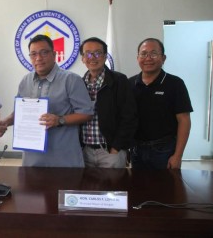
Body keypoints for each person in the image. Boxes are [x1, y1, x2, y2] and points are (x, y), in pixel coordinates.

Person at [0, 34, 94, 167]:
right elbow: (19, 113)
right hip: (32, 160)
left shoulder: (71, 80)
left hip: (64, 160)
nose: (38, 58)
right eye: (33, 54)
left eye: (44, 52)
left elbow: (87, 113)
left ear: (54, 54)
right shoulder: (25, 81)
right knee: (31, 188)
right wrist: (5, 122)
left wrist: (59, 120)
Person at [129, 38, 193, 169]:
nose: (148, 58)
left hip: (165, 150)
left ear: (163, 58)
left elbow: (184, 120)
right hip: (136, 150)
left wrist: (178, 155)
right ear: (137, 58)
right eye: (143, 54)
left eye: (153, 53)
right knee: (138, 188)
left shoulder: (175, 84)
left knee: (165, 188)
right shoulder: (130, 84)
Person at [80, 37, 137, 168]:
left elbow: (129, 117)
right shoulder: (79, 83)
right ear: (83, 58)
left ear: (105, 56)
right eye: (87, 53)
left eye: (98, 53)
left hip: (110, 152)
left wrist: (116, 148)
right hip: (84, 151)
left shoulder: (119, 81)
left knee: (112, 188)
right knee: (86, 187)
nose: (92, 57)